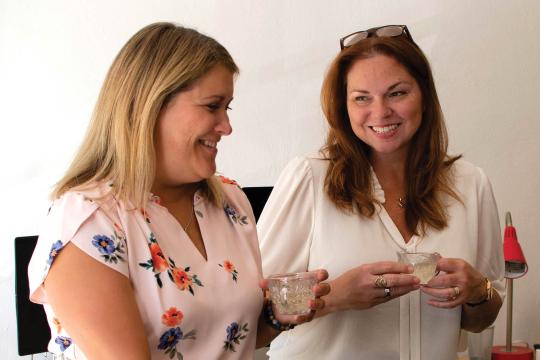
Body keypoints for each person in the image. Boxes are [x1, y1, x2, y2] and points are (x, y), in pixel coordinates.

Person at [28, 22, 329, 359]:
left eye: (227, 107)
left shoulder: (229, 202)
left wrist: (300, 304)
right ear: (151, 106)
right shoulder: (89, 221)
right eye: (212, 106)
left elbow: (231, 336)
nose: (227, 127)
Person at [258, 25, 504, 360]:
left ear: (424, 95)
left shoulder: (470, 183)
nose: (380, 112)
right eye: (362, 98)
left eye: (397, 93)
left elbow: (482, 318)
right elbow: (255, 309)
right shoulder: (309, 177)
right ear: (344, 107)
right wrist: (335, 295)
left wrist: (478, 290)